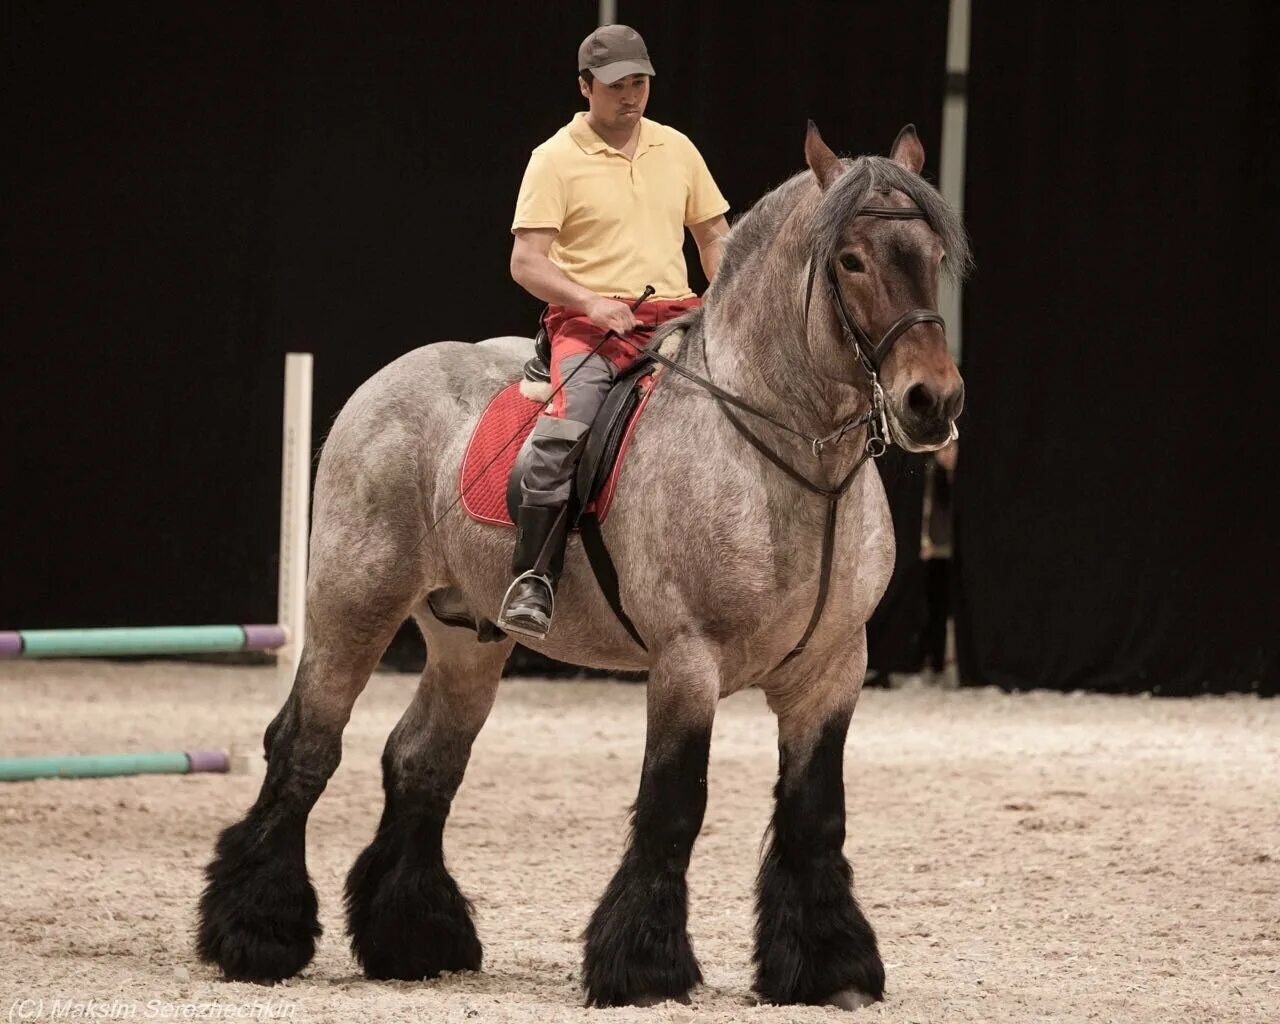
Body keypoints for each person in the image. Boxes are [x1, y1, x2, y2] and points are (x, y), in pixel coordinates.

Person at [497, 23, 731, 638]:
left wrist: (725, 294)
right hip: (590, 326)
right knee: (564, 434)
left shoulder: (676, 148)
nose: (631, 96)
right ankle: (534, 577)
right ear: (584, 87)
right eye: (616, 86)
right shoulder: (553, 159)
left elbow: (712, 235)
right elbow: (526, 262)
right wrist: (591, 303)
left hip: (678, 317)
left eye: (640, 83)